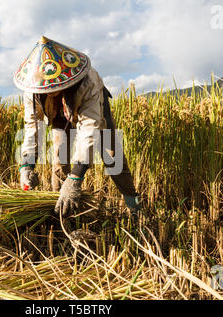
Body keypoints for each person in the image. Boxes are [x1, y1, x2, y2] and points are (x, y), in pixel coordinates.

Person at [13, 36, 141, 216]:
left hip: (93, 111)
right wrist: (26, 165)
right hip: (59, 116)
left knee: (113, 157)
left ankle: (134, 205)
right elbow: (32, 127)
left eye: (53, 90)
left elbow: (89, 129)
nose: (50, 93)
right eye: (46, 91)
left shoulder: (87, 81)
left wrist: (76, 177)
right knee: (59, 158)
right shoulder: (33, 89)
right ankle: (60, 210)